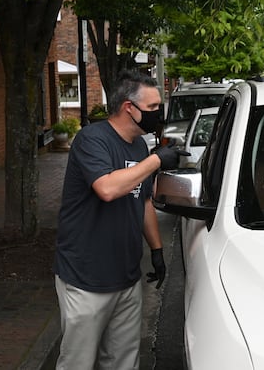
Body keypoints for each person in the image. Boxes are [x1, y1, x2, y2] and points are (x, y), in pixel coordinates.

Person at [53, 70, 186, 369]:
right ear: (129, 107)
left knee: (123, 361)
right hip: (85, 278)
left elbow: (143, 200)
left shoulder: (138, 146)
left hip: (126, 276)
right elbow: (108, 188)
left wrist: (156, 251)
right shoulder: (92, 139)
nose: (158, 114)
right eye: (152, 108)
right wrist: (156, 160)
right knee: (78, 362)